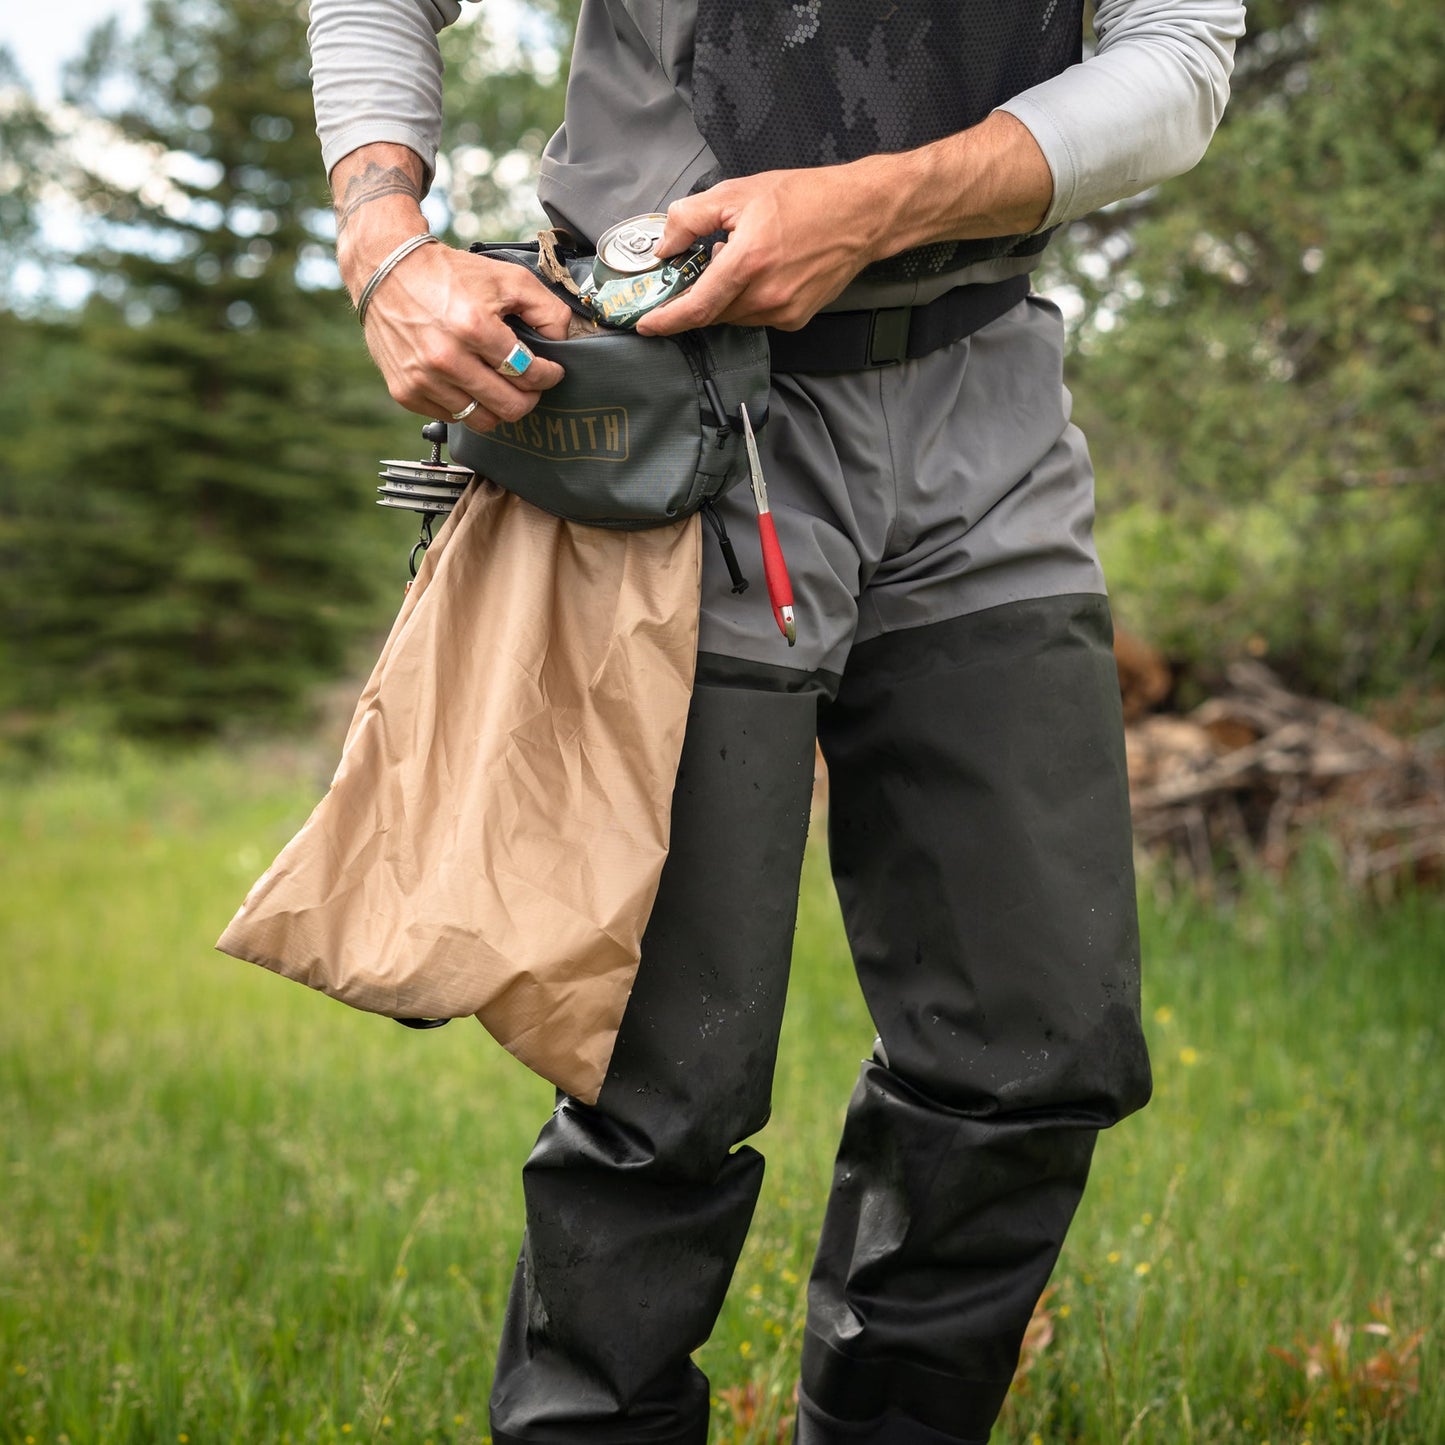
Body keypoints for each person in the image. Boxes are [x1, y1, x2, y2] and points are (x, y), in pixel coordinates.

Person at [306, 3, 1246, 1442]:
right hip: (673, 425)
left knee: (1034, 1051)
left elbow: (1176, 58)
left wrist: (873, 206)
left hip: (984, 408)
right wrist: (384, 242)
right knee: (658, 1084)